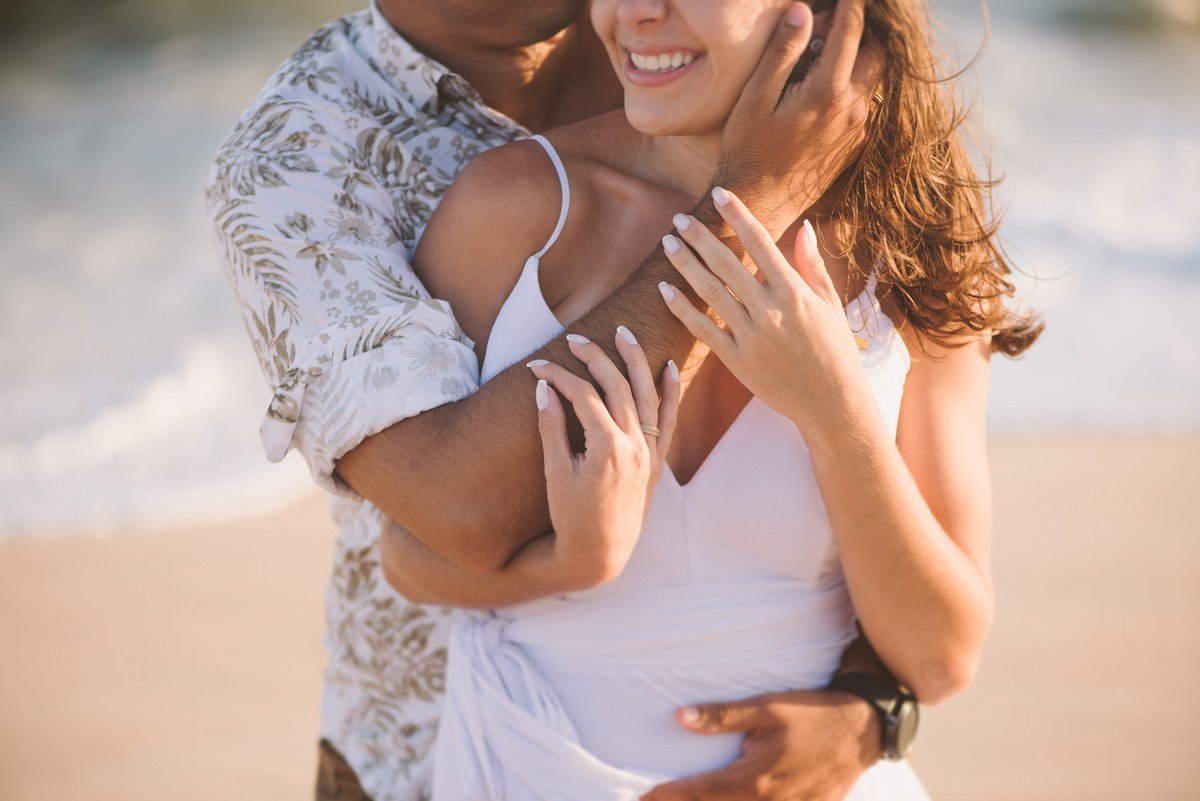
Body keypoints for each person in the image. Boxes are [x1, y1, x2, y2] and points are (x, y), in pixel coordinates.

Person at [204, 0, 907, 798]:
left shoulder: (680, 43)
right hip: (428, 753)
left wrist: (876, 706)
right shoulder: (297, 155)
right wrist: (752, 202)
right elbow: (458, 507)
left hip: (770, 746)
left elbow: (907, 457)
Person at [378, 0, 1043, 797]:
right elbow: (411, 555)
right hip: (530, 767)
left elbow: (941, 655)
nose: (634, 12)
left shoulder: (906, 227)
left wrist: (835, 411)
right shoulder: (516, 209)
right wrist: (572, 562)